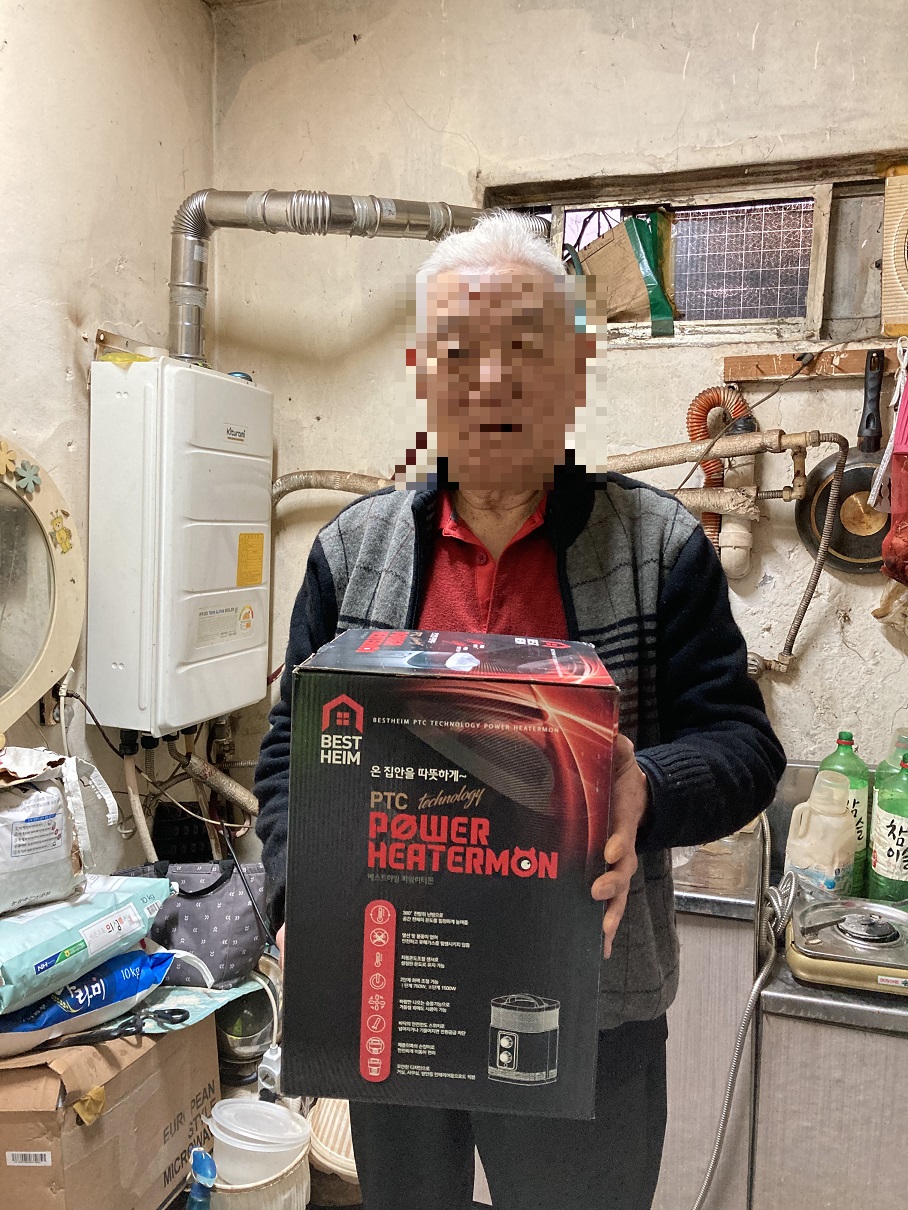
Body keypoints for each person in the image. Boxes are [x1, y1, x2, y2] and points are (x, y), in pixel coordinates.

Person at [254, 211, 786, 1210]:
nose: (492, 380)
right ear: (422, 372)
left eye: (526, 350)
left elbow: (745, 747)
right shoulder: (351, 554)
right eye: (460, 352)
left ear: (575, 371)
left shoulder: (658, 547)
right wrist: (298, 898)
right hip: (401, 994)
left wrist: (643, 786)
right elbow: (290, 752)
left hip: (588, 1008)